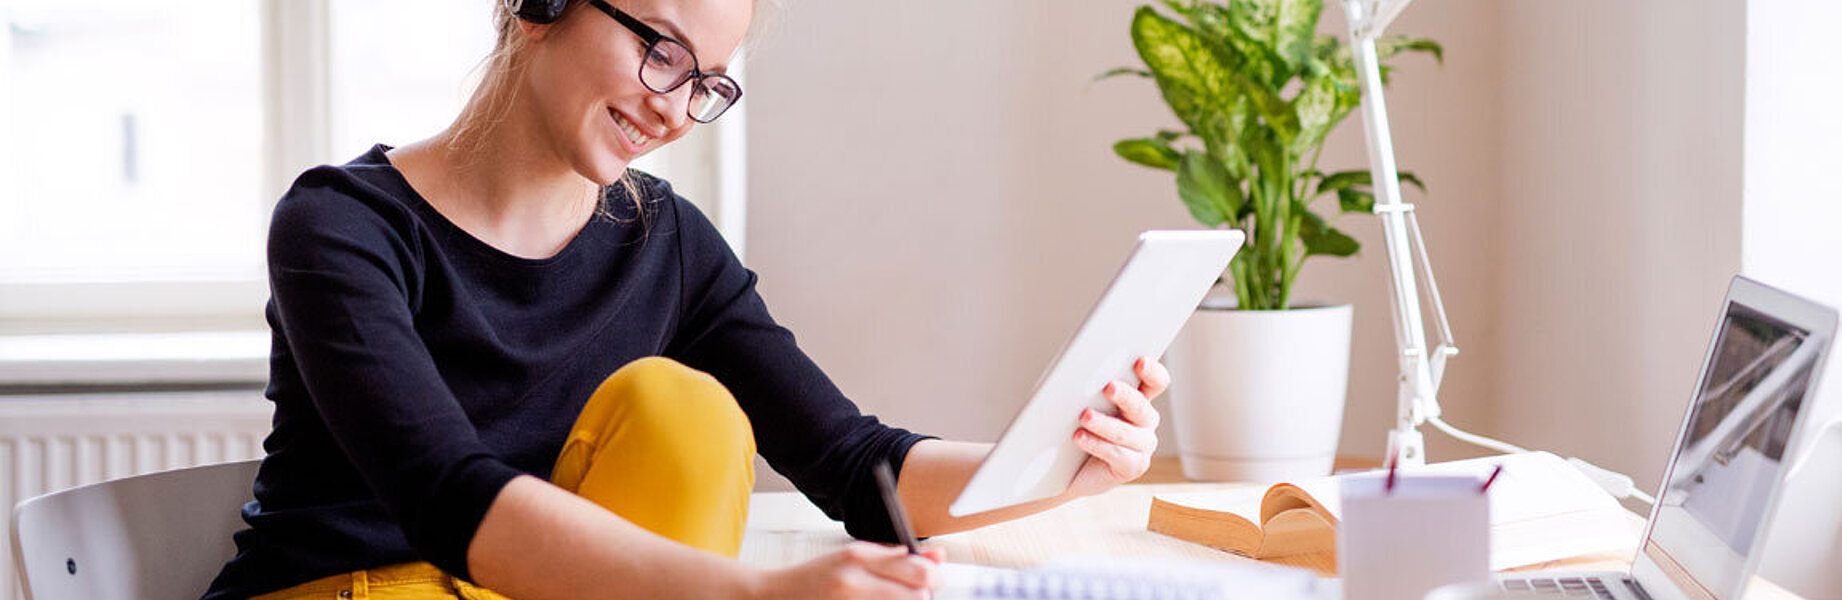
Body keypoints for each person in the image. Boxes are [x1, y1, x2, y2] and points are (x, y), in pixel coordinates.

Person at [200, 1, 1169, 599]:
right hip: (355, 591)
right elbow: (449, 496)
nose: (674, 106)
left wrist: (1051, 464)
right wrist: (752, 595)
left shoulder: (665, 239)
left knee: (688, 410)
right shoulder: (343, 225)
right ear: (542, 4)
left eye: (705, 82)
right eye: (661, 51)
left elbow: (857, 466)